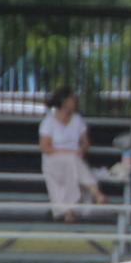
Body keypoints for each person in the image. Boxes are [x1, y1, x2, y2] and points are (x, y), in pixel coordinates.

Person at [39, 86, 106, 222]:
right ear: (64, 102)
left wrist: (81, 150)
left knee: (72, 163)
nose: (75, 101)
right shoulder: (49, 121)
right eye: (72, 98)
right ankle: (95, 192)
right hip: (53, 160)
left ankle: (68, 211)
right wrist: (70, 153)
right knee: (72, 160)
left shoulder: (77, 120)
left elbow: (85, 142)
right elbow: (45, 147)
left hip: (74, 160)